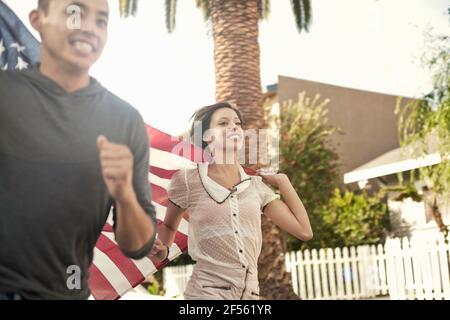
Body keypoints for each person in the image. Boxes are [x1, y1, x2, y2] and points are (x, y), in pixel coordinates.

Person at [0, 0, 156, 299]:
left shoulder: (124, 120)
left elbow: (138, 245)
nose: (88, 27)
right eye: (74, 13)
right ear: (38, 19)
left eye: (101, 20)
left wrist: (125, 195)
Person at [150, 102, 313, 300]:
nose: (234, 127)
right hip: (206, 292)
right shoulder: (187, 180)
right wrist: (163, 251)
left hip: (249, 294)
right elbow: (168, 226)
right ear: (207, 136)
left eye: (237, 123)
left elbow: (304, 231)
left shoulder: (255, 186)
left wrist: (283, 181)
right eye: (223, 123)